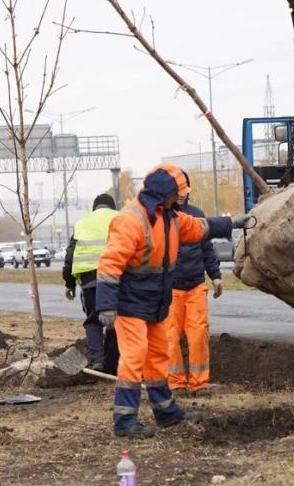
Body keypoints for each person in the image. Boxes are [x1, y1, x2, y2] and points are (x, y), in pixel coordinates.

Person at [96, 164, 247, 438]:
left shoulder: (170, 218)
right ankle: (124, 421)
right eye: (177, 192)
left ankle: (166, 413)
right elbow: (110, 264)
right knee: (134, 357)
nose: (180, 197)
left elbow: (199, 227)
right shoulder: (131, 219)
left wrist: (231, 223)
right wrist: (106, 305)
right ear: (163, 193)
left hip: (155, 304)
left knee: (158, 358)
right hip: (130, 304)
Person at [167, 172, 222, 398]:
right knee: (170, 337)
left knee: (198, 334)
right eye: (177, 192)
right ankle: (176, 384)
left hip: (196, 286)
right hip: (171, 289)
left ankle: (200, 384)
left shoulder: (197, 215)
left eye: (184, 191)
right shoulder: (162, 218)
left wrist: (215, 275)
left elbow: (207, 248)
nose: (181, 195)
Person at [62, 193, 120, 373]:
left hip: (90, 279)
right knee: (117, 320)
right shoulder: (121, 218)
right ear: (113, 207)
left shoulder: (82, 223)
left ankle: (97, 361)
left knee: (93, 321)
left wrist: (69, 283)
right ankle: (113, 364)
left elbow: (70, 256)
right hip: (117, 277)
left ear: (95, 208)